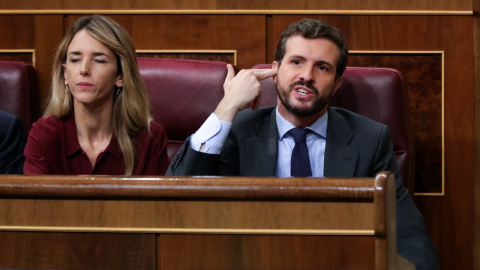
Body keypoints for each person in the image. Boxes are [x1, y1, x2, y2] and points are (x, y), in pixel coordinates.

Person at [167, 19, 438, 269]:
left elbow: (410, 239)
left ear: (336, 84)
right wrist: (227, 107)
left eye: (322, 67)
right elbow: (177, 204)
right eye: (296, 62)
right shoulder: (240, 130)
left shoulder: (370, 139)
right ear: (275, 71)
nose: (306, 75)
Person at [24, 15, 169, 175]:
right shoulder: (44, 135)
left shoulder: (150, 138)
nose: (84, 69)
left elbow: (156, 201)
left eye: (99, 60)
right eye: (75, 59)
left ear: (120, 76)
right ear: (65, 73)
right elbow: (34, 200)